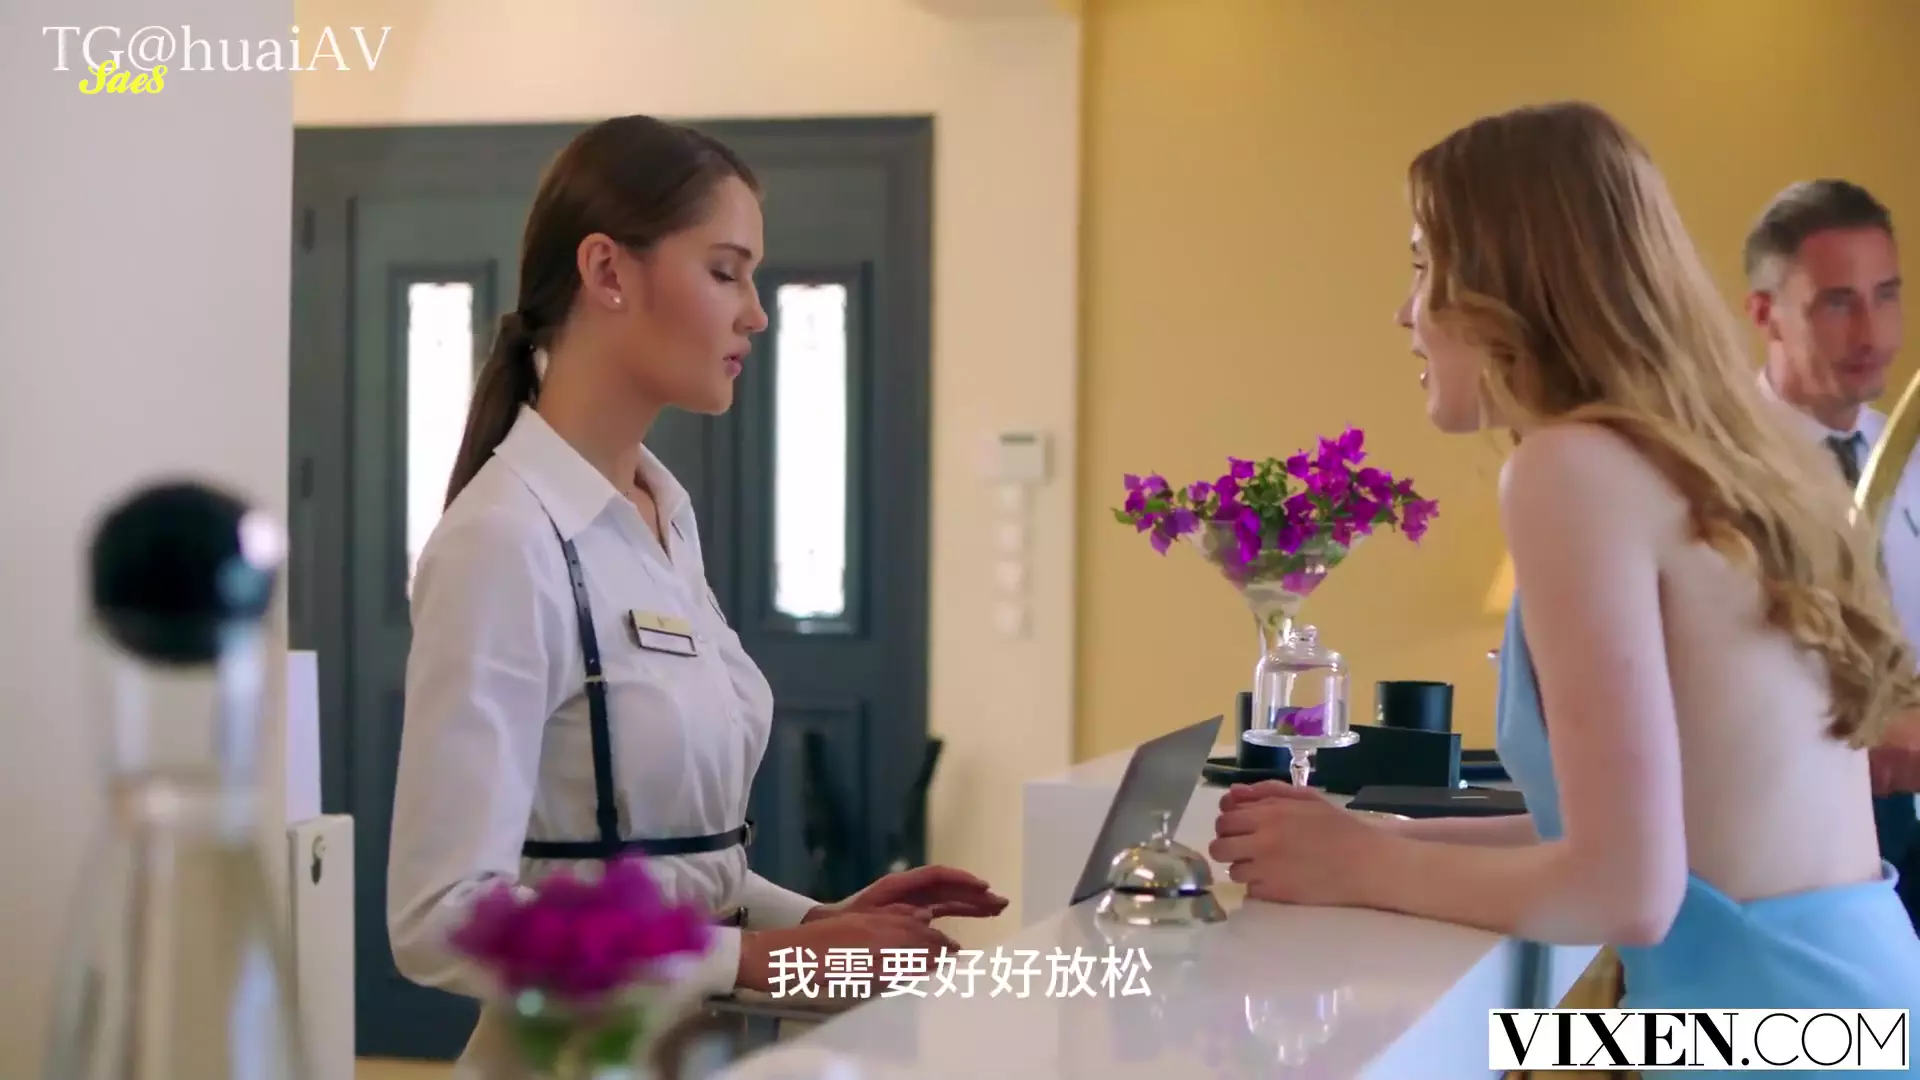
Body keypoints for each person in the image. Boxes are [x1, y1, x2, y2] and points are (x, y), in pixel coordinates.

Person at [1209, 101, 1920, 1056]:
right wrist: (1370, 837)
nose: (1406, 313)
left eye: (1424, 266)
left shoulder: (1568, 469)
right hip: (1851, 1018)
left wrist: (1360, 865)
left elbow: (1624, 891)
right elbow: (1639, 840)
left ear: (1508, 281)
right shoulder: (1709, 458)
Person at [386, 114, 1006, 1076]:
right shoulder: (503, 541)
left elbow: (661, 875)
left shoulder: (661, 518)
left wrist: (822, 926)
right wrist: (764, 960)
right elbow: (443, 920)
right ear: (607, 271)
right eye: (726, 272)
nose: (756, 313)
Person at [1742, 179, 1920, 925]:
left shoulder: (1912, 460)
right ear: (1765, 313)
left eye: (1887, 295)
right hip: (1780, 868)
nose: (1873, 334)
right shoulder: (1716, 472)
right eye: (1839, 303)